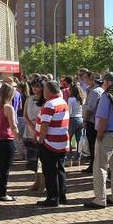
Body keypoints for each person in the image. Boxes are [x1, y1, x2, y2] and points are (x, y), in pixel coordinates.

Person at [85, 72, 113, 209]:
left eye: (103, 82)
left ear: (108, 83)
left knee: (100, 167)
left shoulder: (107, 96)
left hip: (108, 135)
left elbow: (103, 118)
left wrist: (99, 135)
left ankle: (100, 198)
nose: (102, 84)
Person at [36, 80, 69, 208]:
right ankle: (61, 195)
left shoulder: (49, 104)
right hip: (61, 141)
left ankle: (52, 197)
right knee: (60, 169)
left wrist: (40, 139)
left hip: (50, 142)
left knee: (49, 171)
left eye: (45, 90)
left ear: (49, 91)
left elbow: (45, 124)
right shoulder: (62, 101)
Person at [0, 83, 20, 201]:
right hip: (6, 141)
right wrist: (20, 141)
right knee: (5, 168)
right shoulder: (8, 108)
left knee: (0, 167)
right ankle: (2, 193)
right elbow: (13, 126)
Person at [23, 79, 45, 192]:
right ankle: (36, 181)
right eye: (33, 86)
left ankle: (43, 182)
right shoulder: (29, 98)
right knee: (33, 160)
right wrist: (32, 127)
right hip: (30, 131)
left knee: (42, 158)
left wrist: (38, 129)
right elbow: (25, 115)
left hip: (42, 131)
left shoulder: (45, 100)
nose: (34, 88)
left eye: (37, 86)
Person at [82, 73, 104, 173]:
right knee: (94, 146)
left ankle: (93, 166)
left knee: (93, 145)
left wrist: (85, 120)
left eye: (86, 78)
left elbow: (90, 109)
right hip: (95, 121)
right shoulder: (92, 90)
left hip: (92, 122)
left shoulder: (95, 92)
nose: (84, 80)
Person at [66, 82, 86, 167]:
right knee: (79, 140)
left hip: (72, 119)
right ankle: (77, 159)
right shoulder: (82, 99)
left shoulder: (71, 99)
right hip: (80, 119)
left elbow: (69, 111)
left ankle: (68, 159)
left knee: (68, 140)